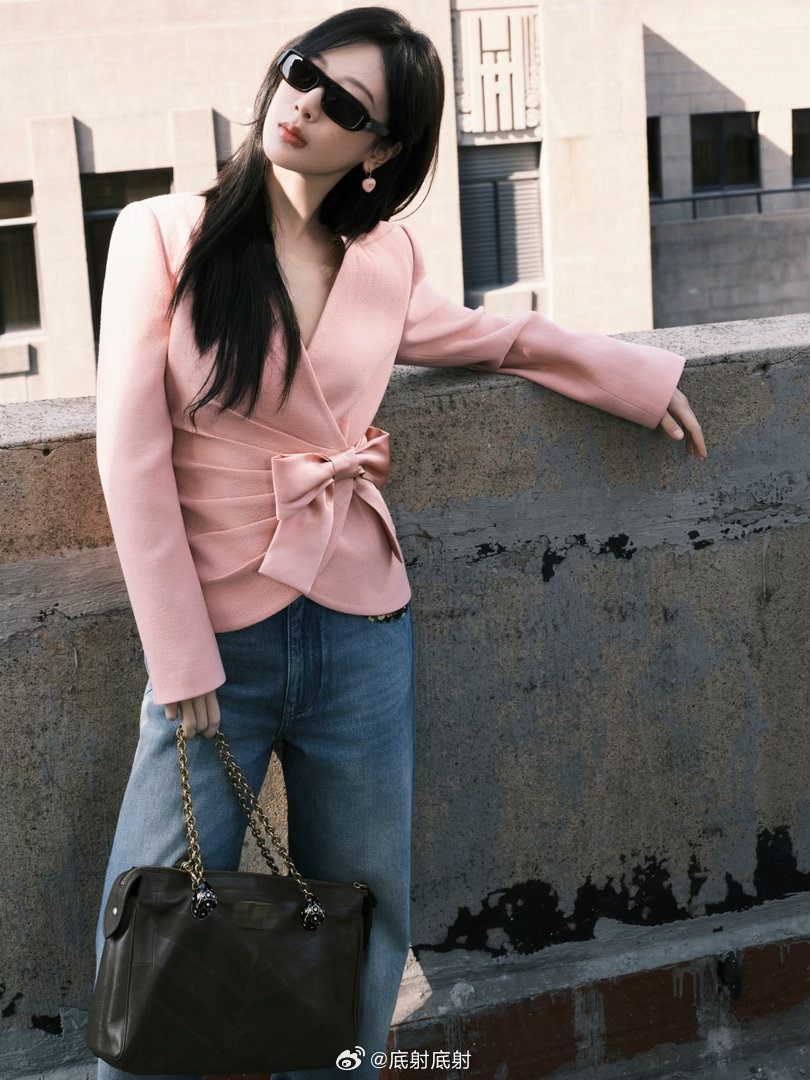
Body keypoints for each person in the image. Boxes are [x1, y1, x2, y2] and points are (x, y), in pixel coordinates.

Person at [90, 6, 707, 1080]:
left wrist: (635, 379)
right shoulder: (159, 233)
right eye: (302, 72)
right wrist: (180, 656)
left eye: (345, 104)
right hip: (213, 639)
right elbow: (129, 454)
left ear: (379, 149)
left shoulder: (384, 258)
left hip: (361, 627)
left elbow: (495, 336)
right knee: (153, 912)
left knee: (365, 917)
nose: (305, 104)